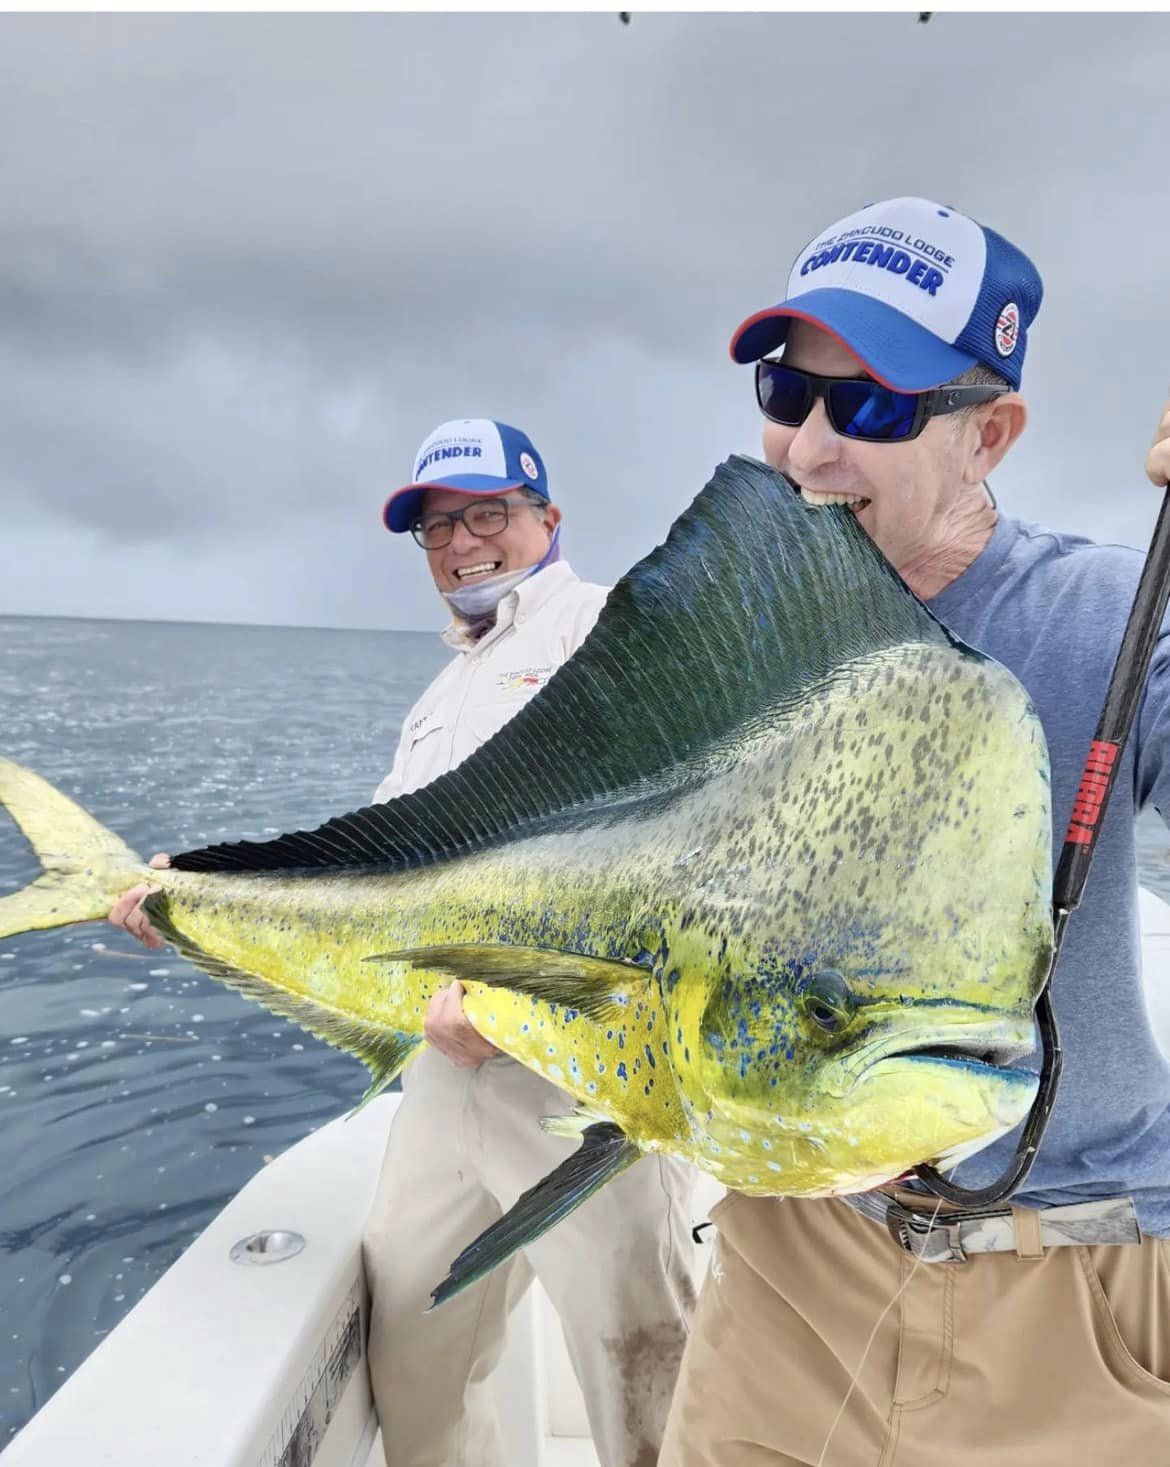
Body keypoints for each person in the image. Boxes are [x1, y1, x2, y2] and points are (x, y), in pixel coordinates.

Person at [658, 197, 1170, 1466]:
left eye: (876, 405)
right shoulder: (730, 644)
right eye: (790, 394)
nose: (814, 447)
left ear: (989, 435)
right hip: (793, 1268)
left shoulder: (1114, 618)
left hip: (1066, 1284)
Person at [113, 417, 696, 1467]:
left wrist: (518, 999)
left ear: (548, 518)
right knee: (420, 1360)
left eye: (489, 515)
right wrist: (197, 885)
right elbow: (373, 869)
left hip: (574, 1077)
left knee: (641, 1369)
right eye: (437, 528)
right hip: (438, 1074)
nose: (464, 544)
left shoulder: (606, 632)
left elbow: (652, 849)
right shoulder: (445, 690)